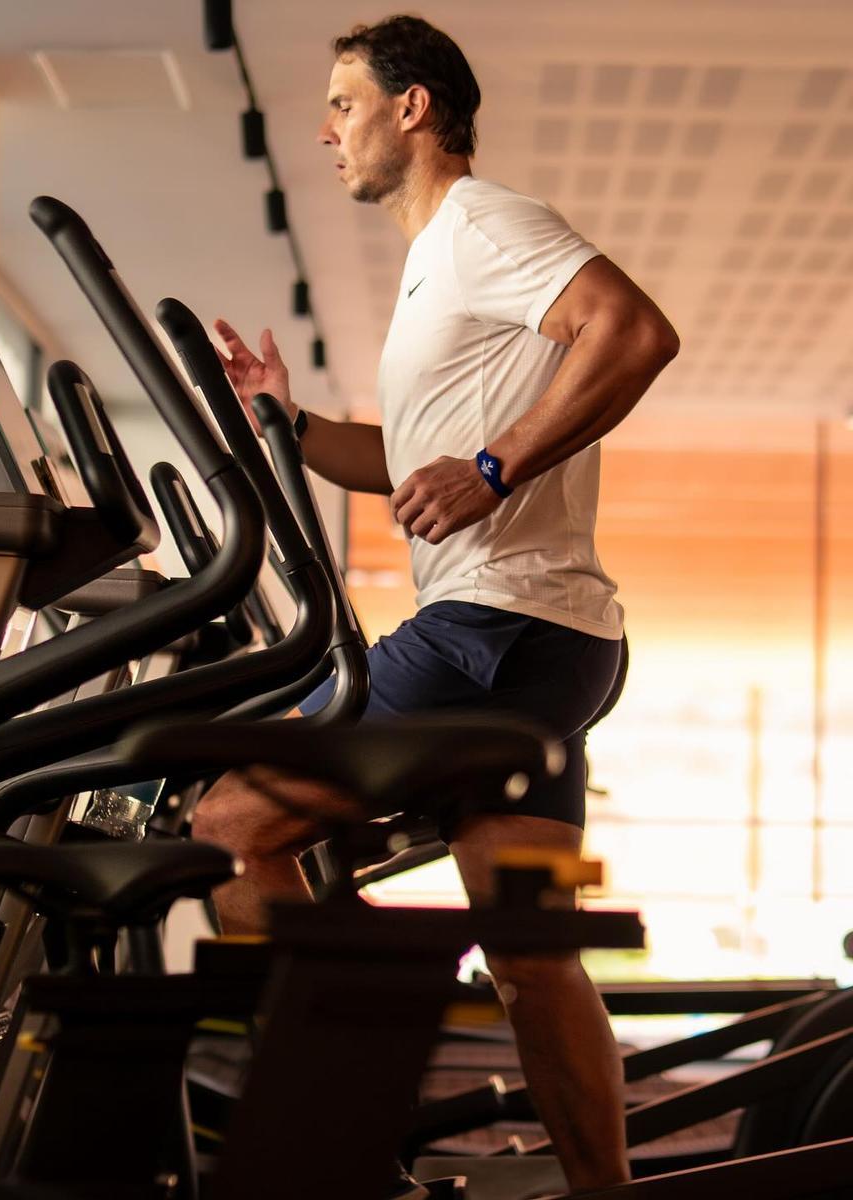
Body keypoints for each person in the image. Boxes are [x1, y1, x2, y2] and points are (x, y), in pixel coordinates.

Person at [196, 14, 679, 1195]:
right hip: (552, 651)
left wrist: (499, 466)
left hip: (494, 632)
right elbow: (411, 467)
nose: (326, 130)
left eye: (345, 103)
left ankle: (343, 1136)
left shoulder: (479, 226)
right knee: (530, 957)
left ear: (413, 109)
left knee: (225, 825)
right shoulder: (435, 266)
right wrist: (286, 423)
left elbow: (636, 331)